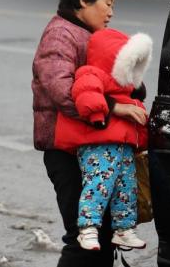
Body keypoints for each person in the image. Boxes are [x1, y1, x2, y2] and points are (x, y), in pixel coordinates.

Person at [32, 0, 147, 267]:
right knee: (82, 238)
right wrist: (114, 107)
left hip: (92, 146)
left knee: (103, 236)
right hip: (66, 152)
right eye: (107, 3)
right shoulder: (61, 34)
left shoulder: (88, 34)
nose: (111, 12)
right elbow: (61, 90)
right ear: (84, 1)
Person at [53, 28, 152, 251]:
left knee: (127, 187)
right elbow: (86, 94)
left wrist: (141, 140)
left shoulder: (126, 92)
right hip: (98, 143)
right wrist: (98, 114)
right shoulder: (92, 73)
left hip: (122, 146)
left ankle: (124, 229)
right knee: (99, 182)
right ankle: (87, 227)